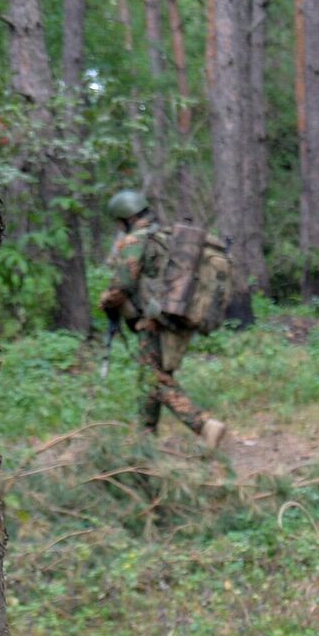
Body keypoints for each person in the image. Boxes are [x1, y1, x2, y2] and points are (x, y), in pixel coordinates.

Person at [99, 190, 227, 451]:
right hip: (171, 316)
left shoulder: (136, 240)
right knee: (153, 375)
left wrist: (106, 300)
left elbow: (123, 283)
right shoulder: (163, 237)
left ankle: (204, 425)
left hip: (153, 322)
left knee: (154, 379)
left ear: (125, 218)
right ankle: (145, 438)